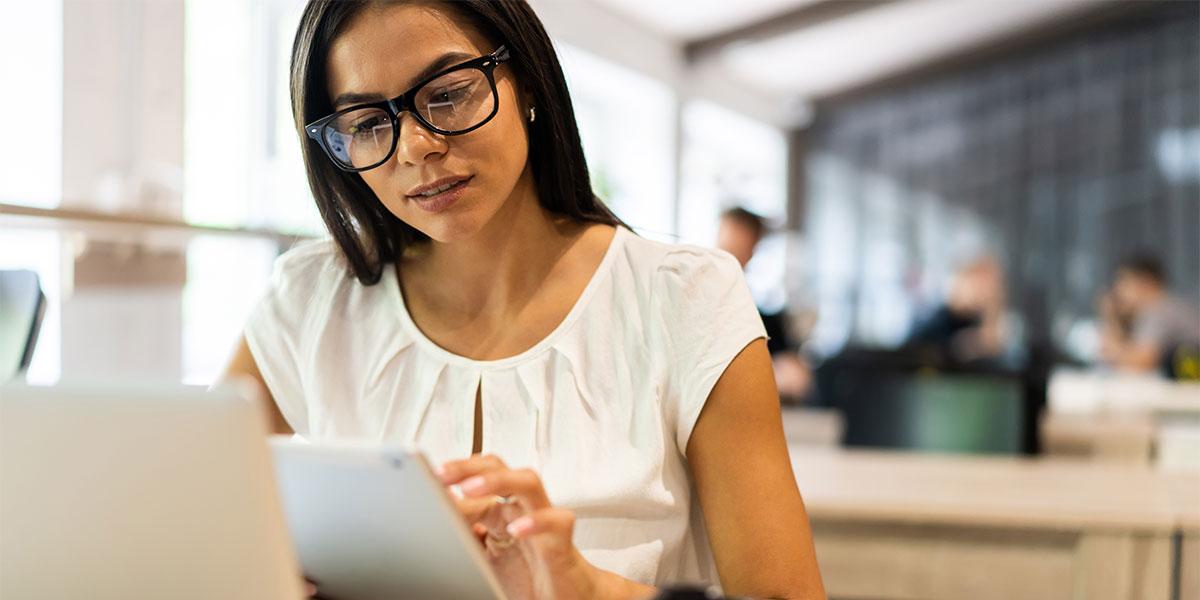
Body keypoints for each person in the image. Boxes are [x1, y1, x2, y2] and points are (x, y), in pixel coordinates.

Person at [220, 2, 825, 599]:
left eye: (449, 93)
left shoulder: (684, 299)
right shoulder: (312, 298)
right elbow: (191, 509)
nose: (413, 147)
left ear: (529, 81)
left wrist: (588, 589)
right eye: (368, 123)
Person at [716, 207, 813, 402]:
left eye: (739, 248)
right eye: (726, 246)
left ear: (753, 250)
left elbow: (796, 379)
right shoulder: (692, 309)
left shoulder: (762, 321)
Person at [1100, 253, 1200, 374]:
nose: (1119, 293)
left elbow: (1142, 362)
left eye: (1125, 284)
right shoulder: (1169, 306)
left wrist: (1109, 316)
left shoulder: (1159, 310)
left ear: (1146, 282)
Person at [907, 256, 1010, 365]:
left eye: (988, 286)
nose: (983, 292)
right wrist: (955, 347)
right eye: (977, 284)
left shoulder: (995, 328)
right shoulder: (941, 319)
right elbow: (914, 349)